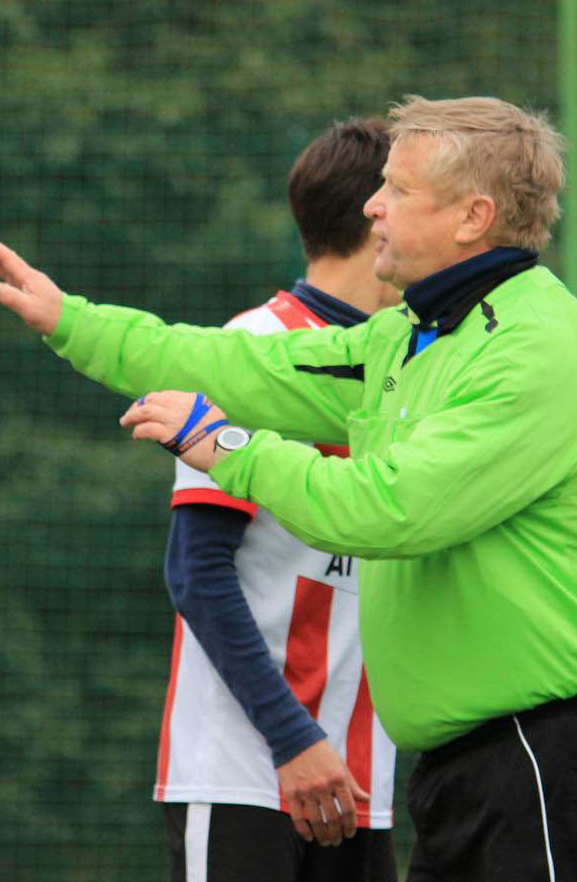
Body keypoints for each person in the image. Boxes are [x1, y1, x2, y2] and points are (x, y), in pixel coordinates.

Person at [0, 94, 577, 880]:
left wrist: (229, 448)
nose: (373, 206)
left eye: (398, 190)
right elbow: (238, 365)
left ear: (473, 217)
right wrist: (72, 322)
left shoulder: (530, 347)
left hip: (561, 759)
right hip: (468, 768)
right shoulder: (411, 336)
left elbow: (388, 507)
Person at [157, 118, 401, 882]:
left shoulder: (411, 367)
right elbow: (196, 573)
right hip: (245, 774)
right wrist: (293, 738)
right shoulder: (255, 348)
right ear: (378, 218)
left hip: (365, 786)